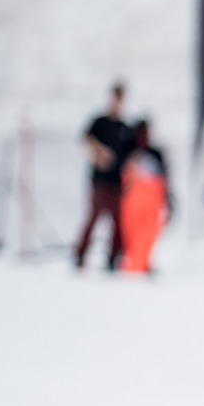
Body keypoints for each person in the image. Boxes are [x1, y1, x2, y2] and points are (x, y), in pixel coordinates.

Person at [77, 82, 132, 269]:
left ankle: (113, 258)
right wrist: (100, 153)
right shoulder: (100, 122)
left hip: (117, 182)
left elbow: (131, 155)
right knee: (94, 217)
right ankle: (80, 254)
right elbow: (86, 139)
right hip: (100, 181)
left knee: (117, 222)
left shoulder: (125, 127)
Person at [118, 119, 171, 275]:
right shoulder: (129, 153)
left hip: (151, 200)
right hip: (134, 200)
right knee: (133, 234)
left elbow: (164, 177)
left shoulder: (154, 153)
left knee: (148, 234)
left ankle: (142, 263)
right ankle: (135, 264)